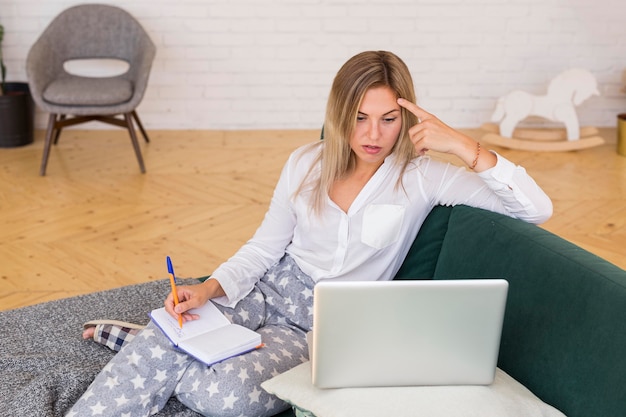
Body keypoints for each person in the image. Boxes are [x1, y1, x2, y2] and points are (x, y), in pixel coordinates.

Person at [67, 50, 552, 417]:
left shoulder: (422, 177)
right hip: (268, 286)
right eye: (360, 117)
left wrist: (464, 145)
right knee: (172, 334)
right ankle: (160, 345)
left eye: (388, 118)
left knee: (231, 396)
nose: (373, 134)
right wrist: (210, 288)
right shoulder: (305, 162)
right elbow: (265, 246)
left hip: (323, 323)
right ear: (339, 114)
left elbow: (534, 209)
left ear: (406, 116)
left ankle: (148, 343)